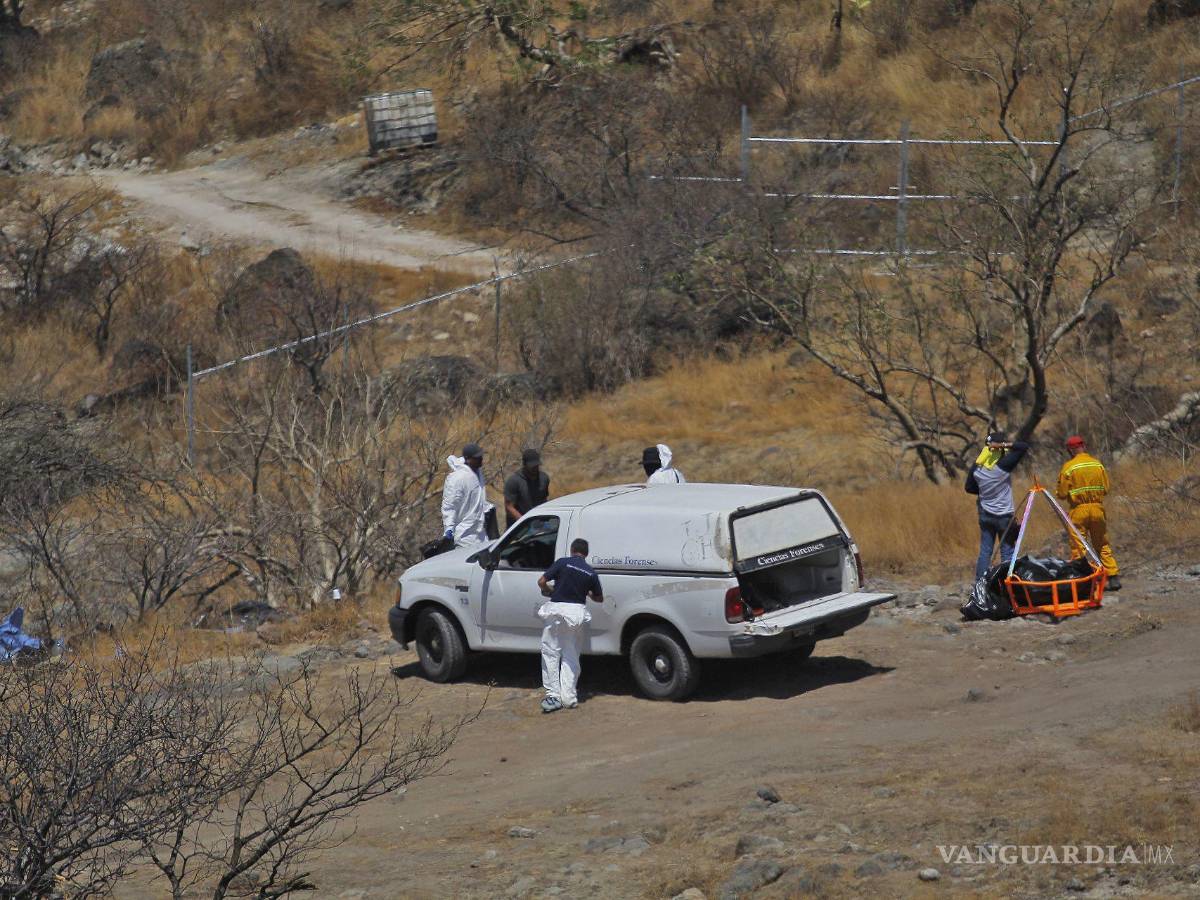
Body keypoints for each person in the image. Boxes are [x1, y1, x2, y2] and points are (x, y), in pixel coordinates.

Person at [536, 538, 603, 713]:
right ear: (586, 554)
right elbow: (599, 598)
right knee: (570, 656)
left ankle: (553, 697)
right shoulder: (590, 572)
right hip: (576, 614)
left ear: (572, 550)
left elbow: (541, 581)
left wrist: (551, 591)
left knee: (551, 653)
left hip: (556, 611)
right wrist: (587, 592)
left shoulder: (563, 563)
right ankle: (569, 698)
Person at [1056, 435, 1121, 590]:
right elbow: (1106, 489)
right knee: (1102, 543)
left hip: (1079, 510)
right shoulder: (1097, 464)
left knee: (1079, 546)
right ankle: (1113, 578)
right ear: (1084, 446)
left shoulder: (1069, 467)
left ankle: (1082, 580)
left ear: (1070, 450)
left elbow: (1062, 493)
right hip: (1098, 509)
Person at [965, 430, 1029, 580]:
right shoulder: (1003, 466)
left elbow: (969, 488)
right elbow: (1023, 446)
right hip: (1004, 516)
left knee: (985, 551)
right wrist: (1004, 445)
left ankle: (980, 584)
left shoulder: (976, 468)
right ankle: (1008, 583)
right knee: (1007, 551)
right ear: (999, 448)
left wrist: (984, 492)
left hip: (985, 514)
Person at [441, 442, 492, 548]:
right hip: (464, 537)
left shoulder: (478, 473)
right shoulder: (456, 478)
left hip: (481, 535)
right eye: (477, 458)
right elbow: (450, 506)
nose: (481, 459)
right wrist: (449, 528)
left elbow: (478, 500)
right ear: (468, 459)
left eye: (481, 456)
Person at [503, 448, 551, 529]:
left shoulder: (544, 478)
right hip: (519, 526)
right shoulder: (514, 481)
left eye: (537, 465)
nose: (535, 468)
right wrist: (524, 521)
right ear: (524, 464)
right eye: (532, 466)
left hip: (539, 523)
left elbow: (544, 499)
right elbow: (509, 507)